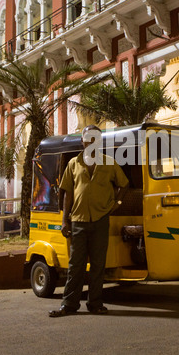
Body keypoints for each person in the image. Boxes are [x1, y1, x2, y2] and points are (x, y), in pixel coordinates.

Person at [49, 125, 129, 317]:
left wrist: (116, 202)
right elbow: (67, 193)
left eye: (96, 139)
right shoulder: (73, 164)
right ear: (83, 142)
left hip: (100, 220)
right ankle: (69, 305)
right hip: (78, 221)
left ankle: (95, 304)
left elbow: (124, 184)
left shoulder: (109, 163)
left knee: (98, 265)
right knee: (75, 264)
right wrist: (64, 220)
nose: (92, 142)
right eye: (88, 139)